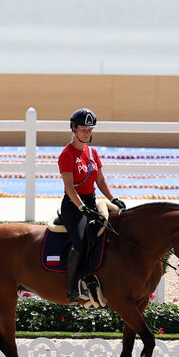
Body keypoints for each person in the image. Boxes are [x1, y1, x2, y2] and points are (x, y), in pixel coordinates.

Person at [58, 108, 125, 305]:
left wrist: (113, 199)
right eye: (83, 129)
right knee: (79, 241)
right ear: (74, 129)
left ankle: (96, 276)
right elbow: (69, 187)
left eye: (90, 129)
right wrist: (81, 207)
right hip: (73, 205)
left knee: (106, 234)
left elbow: (101, 181)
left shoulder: (93, 152)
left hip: (90, 201)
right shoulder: (66, 154)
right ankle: (71, 287)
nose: (87, 133)